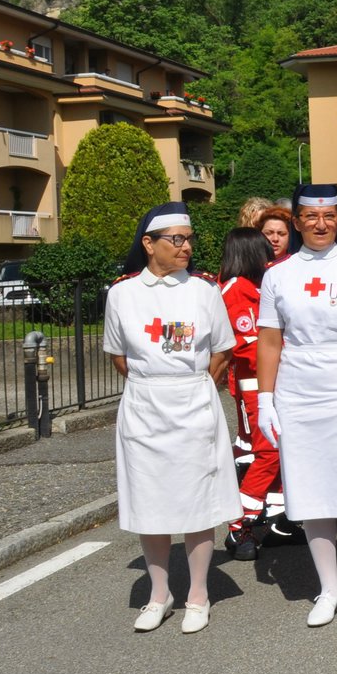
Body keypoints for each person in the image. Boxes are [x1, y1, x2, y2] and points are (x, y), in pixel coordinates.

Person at [254, 184, 337, 628]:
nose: (320, 224)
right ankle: (328, 586)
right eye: (311, 217)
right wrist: (265, 398)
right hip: (299, 387)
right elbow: (270, 341)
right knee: (310, 489)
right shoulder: (278, 274)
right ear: (296, 222)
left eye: (329, 216)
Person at [102, 202, 238, 635]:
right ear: (149, 244)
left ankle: (198, 593)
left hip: (193, 402)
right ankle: (158, 594)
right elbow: (119, 356)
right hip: (144, 406)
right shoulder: (122, 293)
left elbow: (222, 350)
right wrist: (153, 383)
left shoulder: (204, 290)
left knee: (198, 500)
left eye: (189, 239)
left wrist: (195, 386)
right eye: (176, 239)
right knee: (150, 500)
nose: (186, 246)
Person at [219, 227, 278, 562]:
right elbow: (247, 346)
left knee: (272, 453)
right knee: (268, 453)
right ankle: (239, 523)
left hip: (272, 384)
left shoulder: (253, 287)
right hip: (255, 386)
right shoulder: (235, 291)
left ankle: (260, 520)